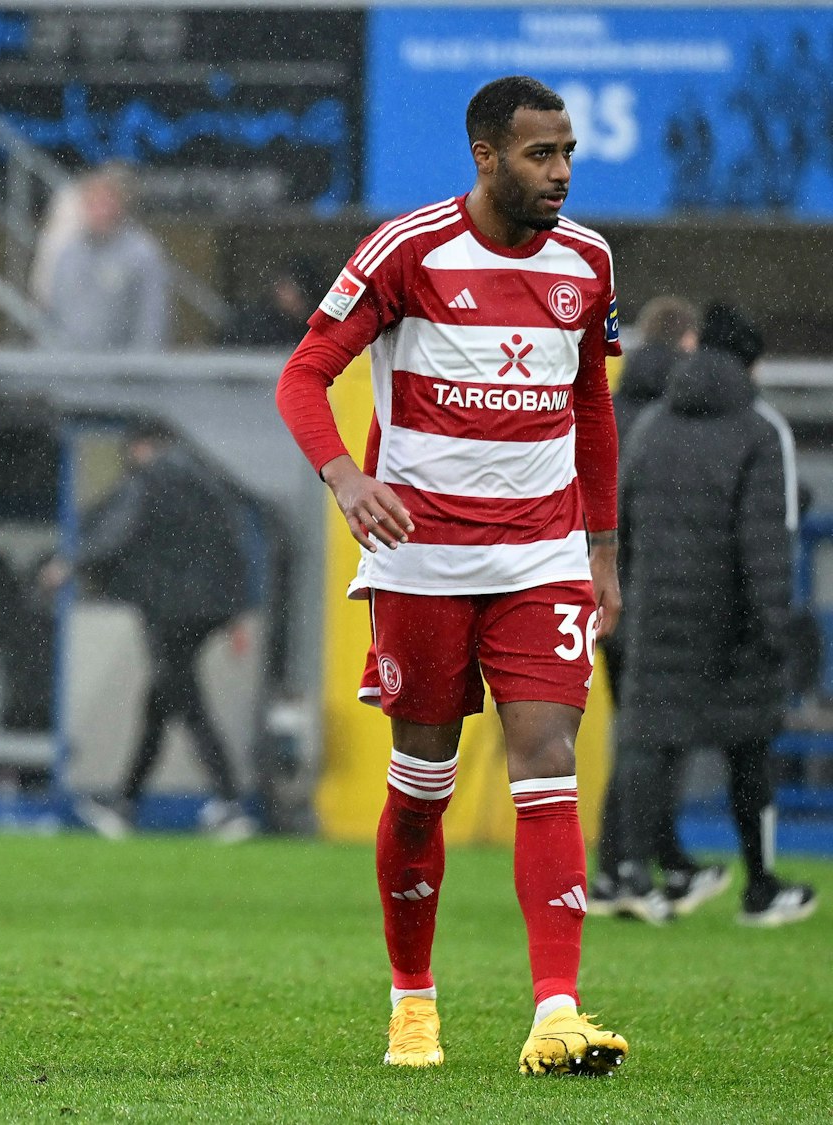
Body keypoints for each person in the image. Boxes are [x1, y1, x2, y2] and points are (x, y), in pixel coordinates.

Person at [274, 77, 628, 1074]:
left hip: (540, 555)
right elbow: (302, 377)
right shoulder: (408, 252)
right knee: (421, 786)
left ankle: (554, 1010)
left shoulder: (587, 262)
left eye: (565, 152)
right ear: (484, 157)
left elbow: (591, 414)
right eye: (538, 155)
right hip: (421, 561)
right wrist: (343, 478)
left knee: (545, 758)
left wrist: (599, 550)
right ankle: (412, 1000)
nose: (559, 171)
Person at [617, 304, 818, 929]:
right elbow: (767, 544)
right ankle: (759, 887)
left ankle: (627, 875)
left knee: (649, 747)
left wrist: (623, 597)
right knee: (748, 751)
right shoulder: (761, 432)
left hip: (653, 614)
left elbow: (617, 520)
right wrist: (774, 626)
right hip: (731, 625)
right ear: (750, 363)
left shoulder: (651, 424)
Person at [588, 295, 727, 922]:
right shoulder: (677, 417)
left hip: (602, 590)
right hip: (657, 597)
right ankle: (621, 870)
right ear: (688, 344)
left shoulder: (610, 408)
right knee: (652, 739)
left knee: (643, 734)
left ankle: (661, 862)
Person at [51, 421, 256, 842]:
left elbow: (119, 531)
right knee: (161, 700)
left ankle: (230, 802)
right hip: (208, 608)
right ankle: (126, 804)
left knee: (185, 699)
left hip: (169, 609)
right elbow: (235, 541)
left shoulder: (149, 480)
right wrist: (235, 609)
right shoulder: (208, 481)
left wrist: (71, 563)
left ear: (142, 447)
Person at [39, 164, 171, 352]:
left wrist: (140, 371)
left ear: (121, 205)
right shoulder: (68, 254)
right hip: (71, 372)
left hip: (122, 372)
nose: (100, 210)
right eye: (93, 203)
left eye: (106, 202)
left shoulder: (143, 254)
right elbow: (54, 318)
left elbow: (151, 322)